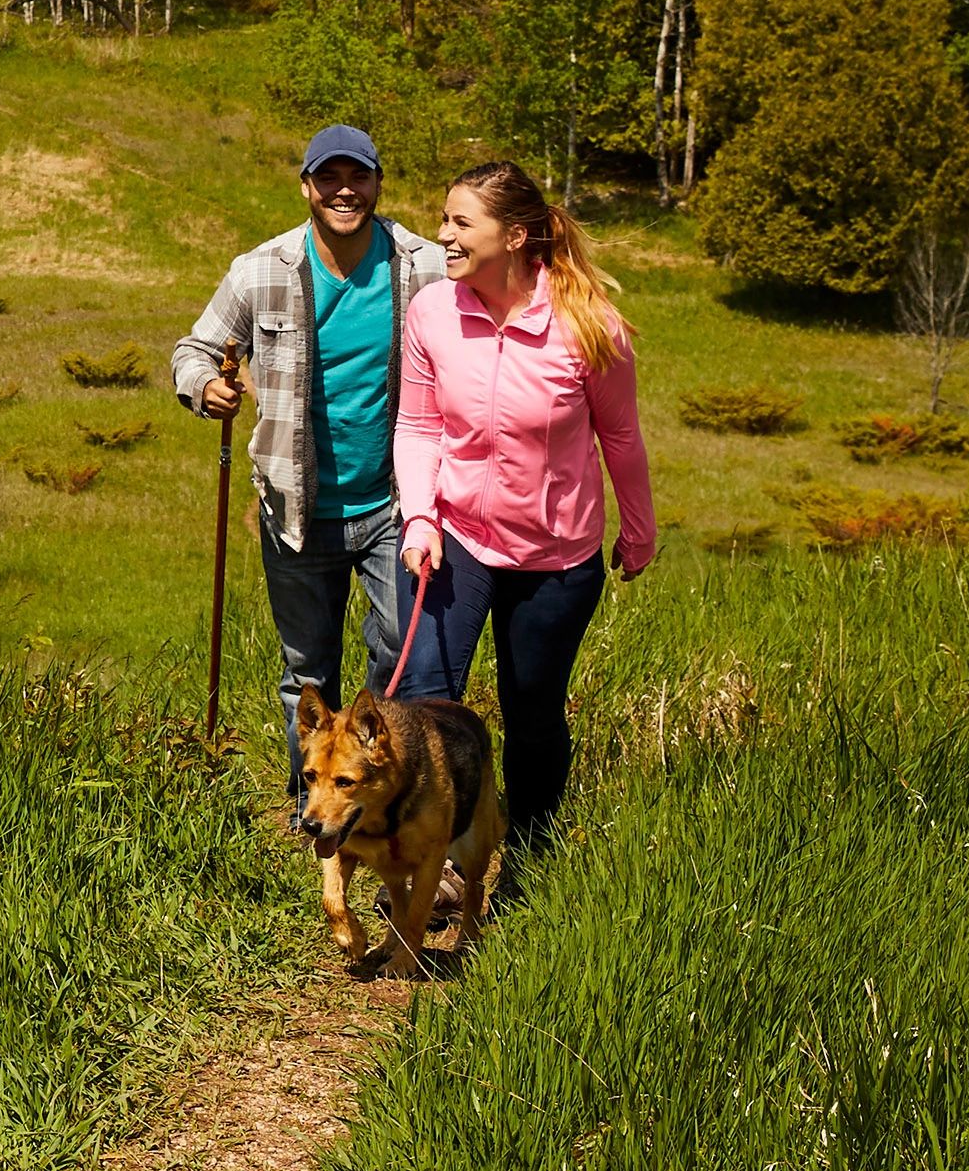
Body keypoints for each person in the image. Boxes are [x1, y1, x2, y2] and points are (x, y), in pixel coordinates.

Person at [170, 123, 449, 814]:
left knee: (401, 654)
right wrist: (206, 388)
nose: (344, 190)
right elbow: (193, 349)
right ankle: (312, 802)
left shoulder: (424, 266)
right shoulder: (261, 269)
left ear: (378, 184)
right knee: (308, 670)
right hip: (294, 507)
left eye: (358, 177)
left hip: (396, 503)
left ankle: (376, 793)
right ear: (307, 186)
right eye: (329, 177)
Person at [396, 159, 659, 858]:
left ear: (514, 235)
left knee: (532, 714)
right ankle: (435, 859)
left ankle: (528, 853)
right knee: (423, 700)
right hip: (455, 542)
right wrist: (420, 515)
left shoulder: (588, 326)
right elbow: (418, 426)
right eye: (443, 219)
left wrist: (640, 529)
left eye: (460, 222)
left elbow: (622, 436)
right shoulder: (432, 313)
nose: (443, 235)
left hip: (555, 557)